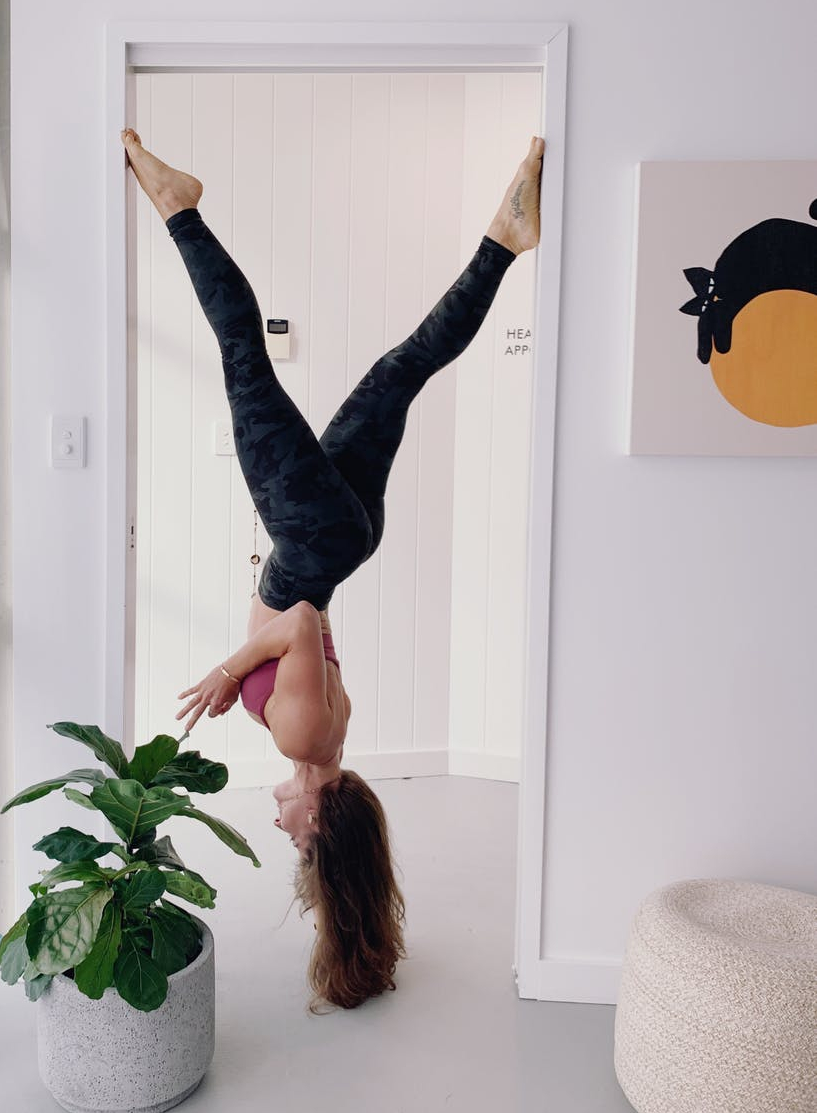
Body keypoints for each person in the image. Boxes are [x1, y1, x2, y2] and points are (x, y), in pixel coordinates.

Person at [122, 127, 543, 1009]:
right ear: (320, 818)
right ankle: (179, 208)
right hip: (313, 539)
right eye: (297, 839)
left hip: (334, 539)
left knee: (400, 370)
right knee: (243, 352)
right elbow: (305, 622)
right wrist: (227, 668)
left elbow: (312, 628)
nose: (280, 828)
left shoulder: (330, 740)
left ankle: (504, 243)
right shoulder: (306, 739)